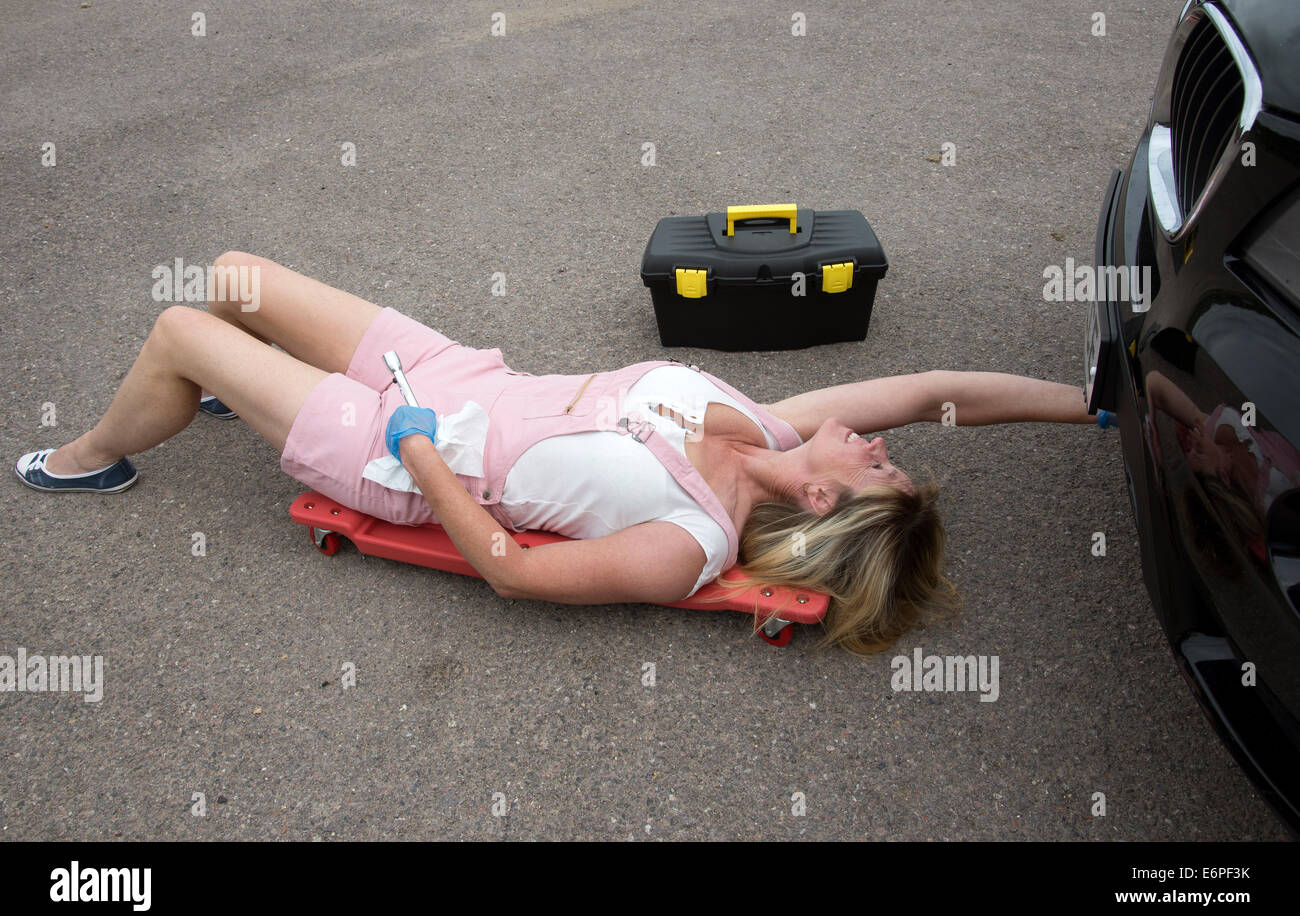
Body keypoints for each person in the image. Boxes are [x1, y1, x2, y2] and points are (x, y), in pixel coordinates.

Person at [15, 252, 1099, 655]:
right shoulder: (772, 427)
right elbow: (935, 391)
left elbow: (514, 571)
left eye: (877, 466)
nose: (875, 441)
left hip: (407, 452)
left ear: (819, 498)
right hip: (461, 374)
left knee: (182, 332)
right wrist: (1094, 404)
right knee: (232, 276)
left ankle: (96, 454)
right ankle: (218, 392)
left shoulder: (687, 540)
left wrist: (419, 452)